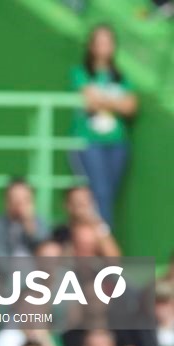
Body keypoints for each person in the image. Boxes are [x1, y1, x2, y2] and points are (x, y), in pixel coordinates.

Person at [70, 25, 137, 228]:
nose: (104, 47)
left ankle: (102, 243)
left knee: (108, 194)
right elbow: (90, 100)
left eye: (108, 42)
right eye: (99, 42)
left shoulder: (121, 76)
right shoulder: (81, 72)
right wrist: (117, 101)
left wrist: (103, 99)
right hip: (89, 142)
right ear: (91, 46)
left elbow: (131, 106)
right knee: (99, 192)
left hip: (117, 144)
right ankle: (103, 247)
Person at [0, 178, 50, 257]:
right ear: (6, 201)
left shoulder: (39, 223)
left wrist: (30, 226)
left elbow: (45, 248)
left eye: (25, 199)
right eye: (15, 199)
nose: (20, 204)